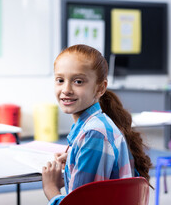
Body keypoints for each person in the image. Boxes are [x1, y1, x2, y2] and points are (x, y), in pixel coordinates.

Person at [42, 44, 152, 204]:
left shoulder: (94, 134)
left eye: (78, 81)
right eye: (60, 80)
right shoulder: (98, 125)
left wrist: (51, 189)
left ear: (100, 88)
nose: (66, 89)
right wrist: (74, 159)